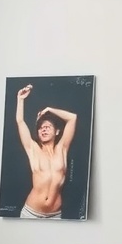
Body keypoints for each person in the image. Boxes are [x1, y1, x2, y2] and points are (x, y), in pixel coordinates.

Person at [16, 84, 77, 219]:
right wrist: (20, 99)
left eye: (48, 127)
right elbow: (20, 121)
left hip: (55, 215)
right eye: (41, 128)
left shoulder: (62, 149)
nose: (43, 129)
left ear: (57, 132)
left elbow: (72, 118)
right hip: (31, 214)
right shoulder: (33, 149)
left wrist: (49, 109)